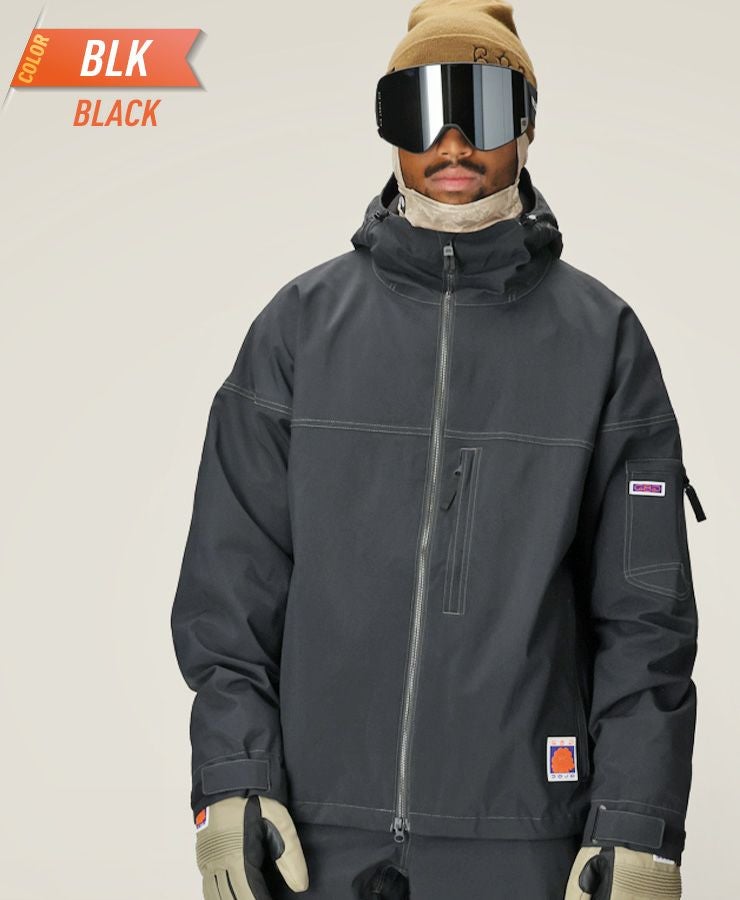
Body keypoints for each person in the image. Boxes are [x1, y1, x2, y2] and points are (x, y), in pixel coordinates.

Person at [170, 1, 706, 897]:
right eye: (420, 110)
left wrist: (638, 822)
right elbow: (230, 588)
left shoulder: (602, 341)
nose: (452, 142)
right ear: (388, 128)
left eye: (482, 109)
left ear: (526, 125)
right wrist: (233, 776)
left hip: (524, 836)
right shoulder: (299, 330)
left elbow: (645, 619)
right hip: (313, 837)